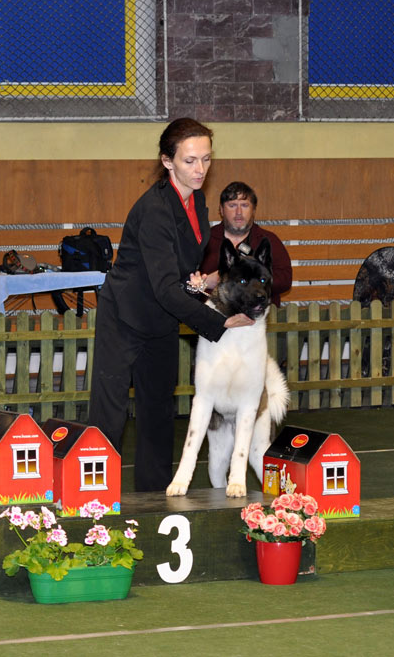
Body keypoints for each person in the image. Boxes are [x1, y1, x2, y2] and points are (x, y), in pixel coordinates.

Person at [87, 118, 255, 492]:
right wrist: (218, 323)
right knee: (109, 412)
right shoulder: (154, 210)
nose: (200, 169)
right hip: (125, 314)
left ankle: (154, 495)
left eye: (206, 159)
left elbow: (175, 269)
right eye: (190, 161)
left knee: (158, 409)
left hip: (162, 314)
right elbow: (162, 287)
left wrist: (196, 281)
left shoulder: (197, 199)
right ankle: (95, 495)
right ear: (167, 161)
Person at [198, 181, 292, 306]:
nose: (239, 212)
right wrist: (205, 282)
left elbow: (285, 279)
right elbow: (185, 280)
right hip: (212, 313)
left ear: (253, 210)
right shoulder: (204, 240)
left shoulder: (267, 240)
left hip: (259, 313)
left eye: (245, 205)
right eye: (232, 205)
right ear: (221, 210)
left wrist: (250, 283)